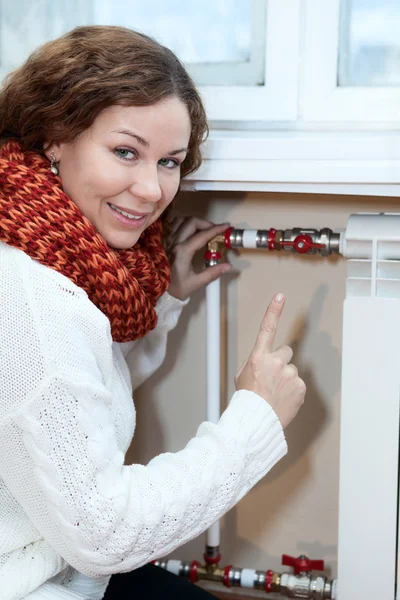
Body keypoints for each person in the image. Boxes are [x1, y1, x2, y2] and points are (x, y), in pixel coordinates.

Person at [0, 25, 305, 600]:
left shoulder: (35, 244)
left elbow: (71, 397)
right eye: (125, 152)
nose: (150, 189)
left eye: (169, 161)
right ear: (53, 138)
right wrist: (255, 420)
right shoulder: (34, 300)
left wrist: (165, 300)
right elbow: (105, 533)